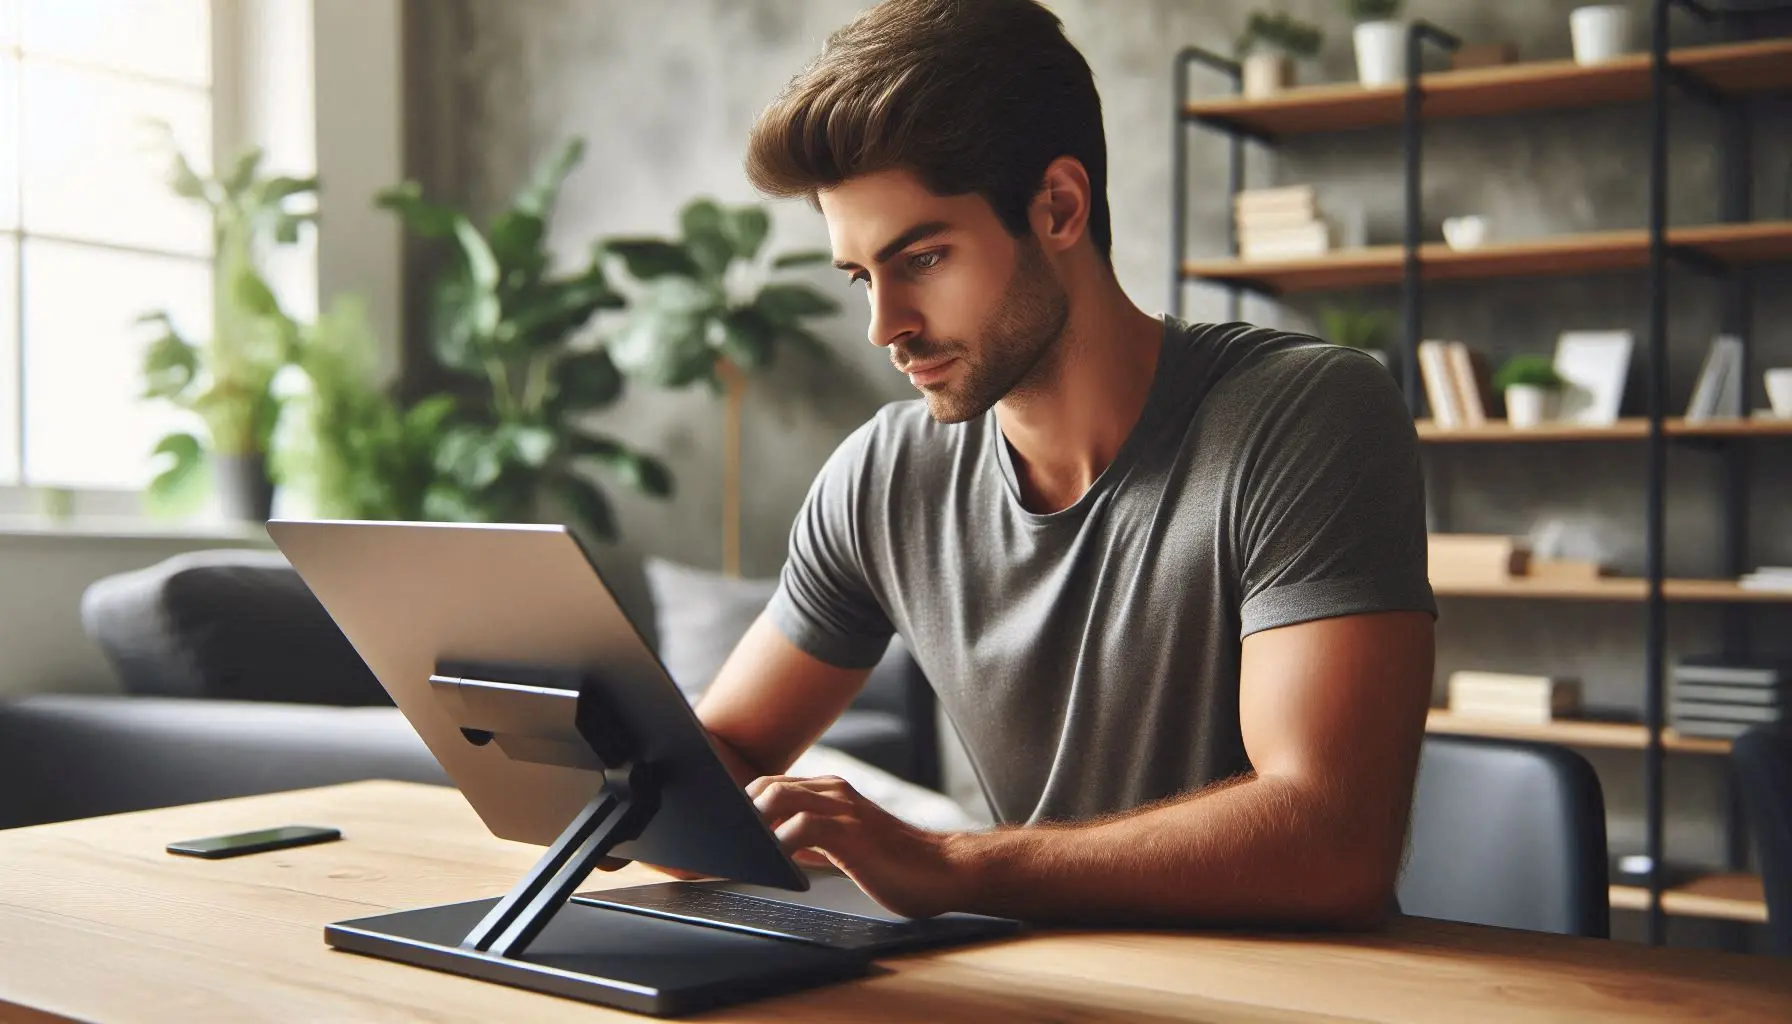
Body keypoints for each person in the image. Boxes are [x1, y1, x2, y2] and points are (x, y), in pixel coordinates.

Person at [686, 0, 1435, 927]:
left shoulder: (1305, 415)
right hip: (1034, 981)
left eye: (921, 258)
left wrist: (955, 866)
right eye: (860, 277)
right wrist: (605, 755)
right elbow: (724, 750)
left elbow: (1333, 839)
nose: (885, 327)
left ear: (1059, 207)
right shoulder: (883, 476)